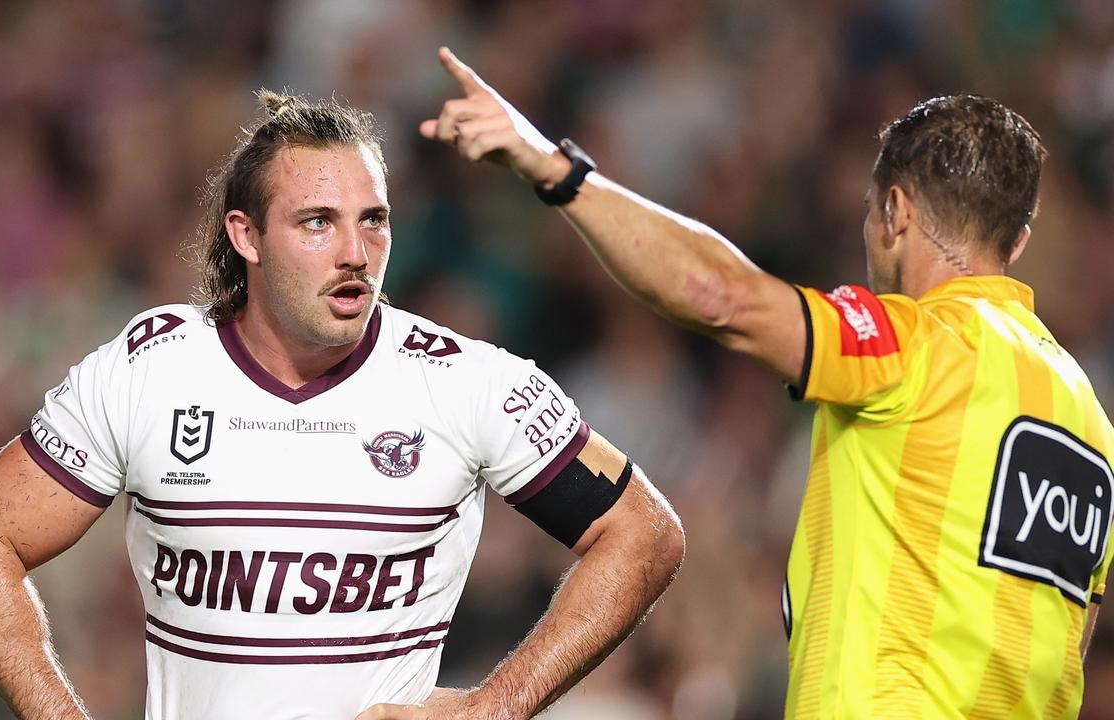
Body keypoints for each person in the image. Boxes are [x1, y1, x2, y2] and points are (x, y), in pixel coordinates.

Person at [0, 89, 685, 720]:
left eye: (374, 220)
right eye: (318, 222)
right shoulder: (149, 371)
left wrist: (500, 706)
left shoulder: (464, 382)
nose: (355, 251)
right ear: (246, 235)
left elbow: (643, 533)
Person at [422, 47, 1114, 718]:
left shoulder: (916, 342)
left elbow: (720, 296)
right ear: (1015, 242)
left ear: (895, 212)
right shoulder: (1090, 425)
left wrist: (553, 167)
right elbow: (1075, 638)